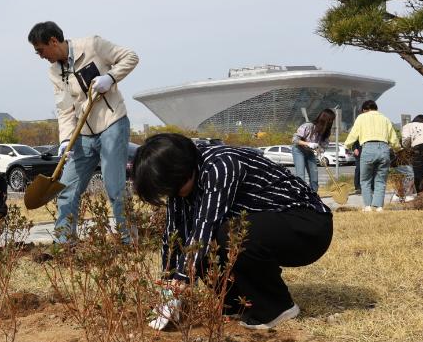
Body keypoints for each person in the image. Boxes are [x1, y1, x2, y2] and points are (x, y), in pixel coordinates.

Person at [133, 134, 332, 330]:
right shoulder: (182, 183)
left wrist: (182, 280)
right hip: (269, 227)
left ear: (183, 169)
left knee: (226, 233)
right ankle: (235, 303)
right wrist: (168, 285)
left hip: (307, 225)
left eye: (175, 188)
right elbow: (173, 234)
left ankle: (276, 307)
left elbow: (205, 225)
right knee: (204, 241)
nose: (174, 195)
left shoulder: (220, 165)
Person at [28, 21, 139, 243]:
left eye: (40, 50)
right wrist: (65, 140)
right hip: (84, 134)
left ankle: (129, 242)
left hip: (112, 124)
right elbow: (65, 109)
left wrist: (111, 77)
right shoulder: (54, 72)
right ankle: (64, 242)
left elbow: (131, 57)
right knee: (67, 187)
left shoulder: (92, 46)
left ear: (53, 41)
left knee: (114, 187)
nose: (40, 56)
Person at [343, 100, 400, 212]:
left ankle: (368, 206)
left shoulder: (361, 117)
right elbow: (393, 138)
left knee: (365, 180)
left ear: (364, 110)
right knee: (380, 180)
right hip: (384, 148)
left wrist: (347, 145)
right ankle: (379, 207)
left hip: (368, 148)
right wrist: (397, 148)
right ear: (376, 108)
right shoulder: (385, 119)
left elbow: (354, 133)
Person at [291, 109, 335, 192]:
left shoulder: (325, 132)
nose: (331, 123)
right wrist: (308, 144)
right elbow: (294, 140)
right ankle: (301, 196)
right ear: (324, 119)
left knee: (314, 176)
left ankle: (314, 196)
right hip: (298, 150)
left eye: (332, 120)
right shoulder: (308, 126)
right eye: (330, 120)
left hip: (310, 152)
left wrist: (320, 153)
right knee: (301, 176)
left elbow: (322, 146)